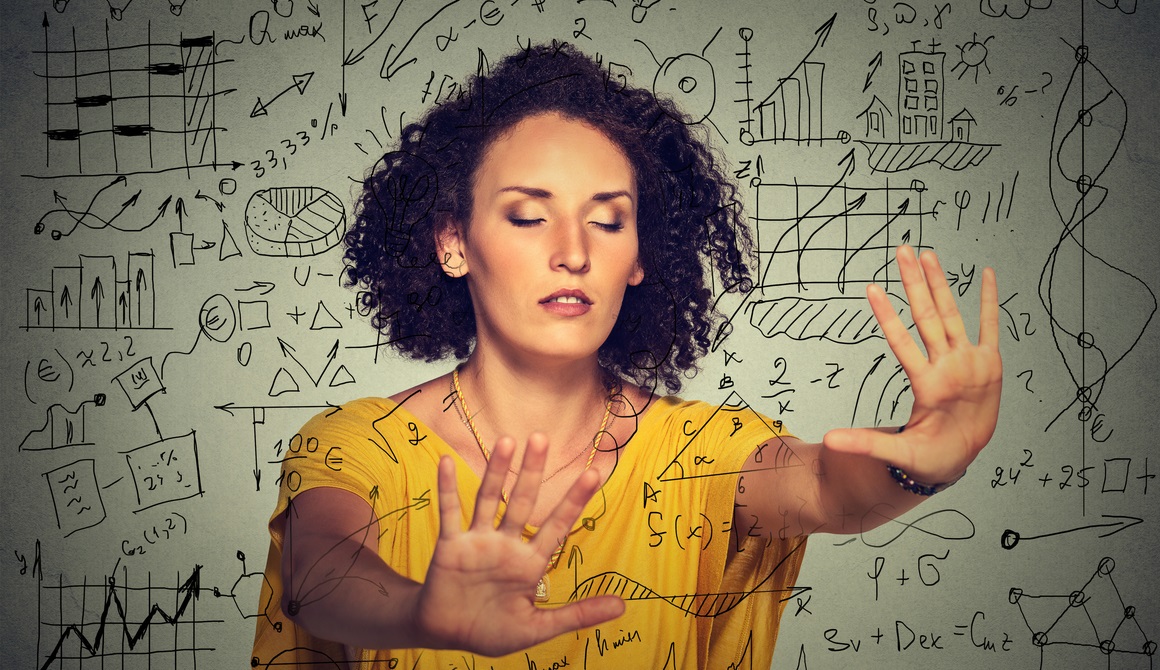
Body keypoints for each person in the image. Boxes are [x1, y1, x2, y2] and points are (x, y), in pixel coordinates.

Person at [250, 42, 1001, 669]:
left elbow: (828, 491)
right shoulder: (355, 444)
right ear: (453, 243)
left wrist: (923, 461)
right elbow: (321, 577)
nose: (572, 253)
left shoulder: (708, 451)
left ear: (640, 255)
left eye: (608, 222)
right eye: (529, 216)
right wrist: (419, 610)